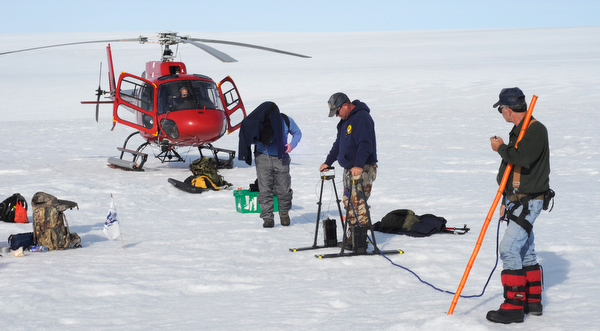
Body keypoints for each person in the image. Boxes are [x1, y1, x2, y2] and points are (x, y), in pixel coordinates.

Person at [486, 87, 550, 324]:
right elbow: (512, 170)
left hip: (528, 201)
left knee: (509, 250)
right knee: (525, 251)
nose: (501, 112)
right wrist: (505, 198)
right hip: (516, 200)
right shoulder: (518, 130)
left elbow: (521, 158)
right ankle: (532, 301)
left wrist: (501, 148)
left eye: (501, 108)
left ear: (508, 109)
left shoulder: (535, 130)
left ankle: (513, 306)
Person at [319, 92, 378, 247]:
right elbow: (338, 144)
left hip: (362, 168)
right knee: (349, 203)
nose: (337, 115)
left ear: (345, 105)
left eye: (337, 112)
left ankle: (360, 240)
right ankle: (353, 235)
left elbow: (365, 144)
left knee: (358, 203)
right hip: (350, 169)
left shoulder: (361, 118)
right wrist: (328, 161)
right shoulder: (345, 122)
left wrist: (358, 165)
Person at [252, 104, 302, 228]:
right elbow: (249, 137)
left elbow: (297, 133)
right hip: (263, 157)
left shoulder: (286, 120)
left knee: (284, 189)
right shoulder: (259, 121)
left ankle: (284, 213)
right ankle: (267, 217)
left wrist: (291, 145)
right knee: (265, 190)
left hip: (281, 158)